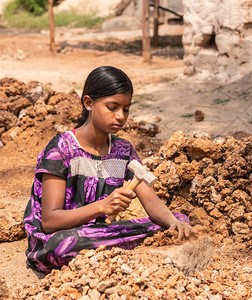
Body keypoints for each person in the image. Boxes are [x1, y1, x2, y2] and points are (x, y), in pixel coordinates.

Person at [23, 66, 194, 274]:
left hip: (98, 233)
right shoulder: (61, 149)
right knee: (65, 244)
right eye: (112, 107)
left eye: (126, 109)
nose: (121, 116)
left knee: (179, 221)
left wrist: (175, 224)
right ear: (88, 103)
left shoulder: (123, 150)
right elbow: (50, 221)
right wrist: (102, 207)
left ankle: (108, 251)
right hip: (57, 238)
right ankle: (116, 251)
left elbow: (151, 202)